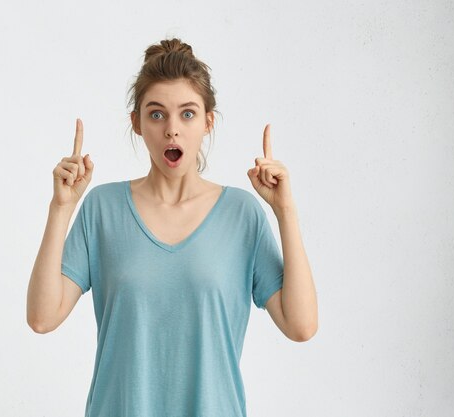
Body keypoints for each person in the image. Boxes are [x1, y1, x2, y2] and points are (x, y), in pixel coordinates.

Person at [27, 38, 318, 417]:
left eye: (187, 114)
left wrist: (286, 212)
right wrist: (60, 208)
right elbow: (42, 317)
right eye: (157, 114)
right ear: (137, 123)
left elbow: (301, 326)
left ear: (208, 122)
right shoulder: (103, 209)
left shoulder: (242, 215)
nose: (172, 131)